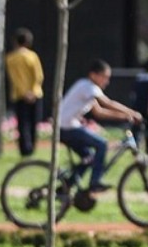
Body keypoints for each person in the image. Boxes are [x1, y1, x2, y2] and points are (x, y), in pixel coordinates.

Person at [59, 59, 142, 193]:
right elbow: (108, 103)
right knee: (102, 145)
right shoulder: (88, 87)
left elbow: (99, 112)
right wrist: (133, 113)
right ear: (93, 75)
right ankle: (95, 183)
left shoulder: (87, 89)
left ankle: (67, 186)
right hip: (67, 128)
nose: (107, 81)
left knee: (90, 157)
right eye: (104, 77)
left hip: (66, 127)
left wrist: (125, 116)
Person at [5, 28, 44, 157]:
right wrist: (32, 91)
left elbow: (14, 79)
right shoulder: (32, 56)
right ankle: (32, 147)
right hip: (35, 94)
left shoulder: (10, 58)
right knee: (34, 122)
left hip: (19, 95)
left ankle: (25, 149)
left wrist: (24, 92)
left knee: (23, 123)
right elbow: (38, 76)